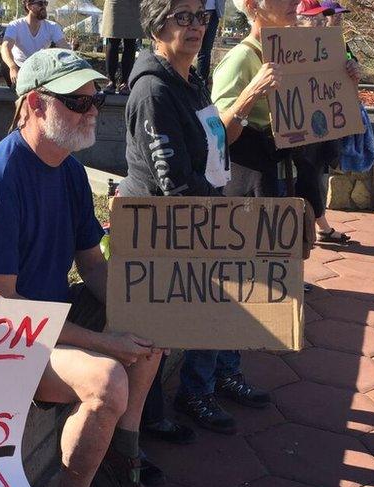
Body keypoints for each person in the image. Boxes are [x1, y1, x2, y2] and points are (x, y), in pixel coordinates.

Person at [0, 49, 163, 487]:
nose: (91, 112)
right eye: (77, 101)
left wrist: (133, 315)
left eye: (95, 99)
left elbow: (94, 264)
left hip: (39, 316)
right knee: (106, 380)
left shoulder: (70, 172)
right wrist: (106, 344)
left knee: (150, 331)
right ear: (35, 104)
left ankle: (121, 458)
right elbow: (4, 308)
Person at [122, 0, 270, 437]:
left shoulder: (190, 79)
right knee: (151, 335)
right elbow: (173, 181)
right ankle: (141, 432)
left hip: (190, 216)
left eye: (200, 17)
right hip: (157, 225)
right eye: (181, 17)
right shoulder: (153, 90)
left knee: (180, 324)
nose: (195, 27)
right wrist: (220, 218)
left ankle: (181, 401)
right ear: (155, 24)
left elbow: (213, 141)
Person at [210, 0, 293, 198]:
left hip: (288, 175)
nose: (297, 1)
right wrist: (252, 92)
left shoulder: (291, 54)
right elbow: (218, 137)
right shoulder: (240, 58)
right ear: (252, 5)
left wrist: (344, 75)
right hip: (253, 187)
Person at [293, 0, 351, 244]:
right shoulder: (289, 46)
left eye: (321, 18)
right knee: (306, 178)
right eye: (313, 18)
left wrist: (351, 72)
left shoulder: (333, 43)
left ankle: (317, 228)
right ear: (298, 20)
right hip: (297, 128)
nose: (321, 22)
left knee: (314, 174)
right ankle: (317, 229)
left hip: (321, 124)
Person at [1, 0, 69, 88]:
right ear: (28, 6)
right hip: (19, 67)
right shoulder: (15, 25)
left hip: (39, 68)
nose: (44, 7)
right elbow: (5, 47)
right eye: (40, 3)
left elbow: (64, 47)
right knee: (5, 63)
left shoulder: (53, 27)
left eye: (45, 3)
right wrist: (12, 67)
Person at [101, 0, 144, 94]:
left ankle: (125, 82)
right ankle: (111, 81)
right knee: (112, 40)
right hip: (114, 3)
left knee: (130, 41)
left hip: (134, 4)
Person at [196, 0, 222, 83]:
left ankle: (202, 82)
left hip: (214, 11)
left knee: (206, 50)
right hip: (195, 10)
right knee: (185, 45)